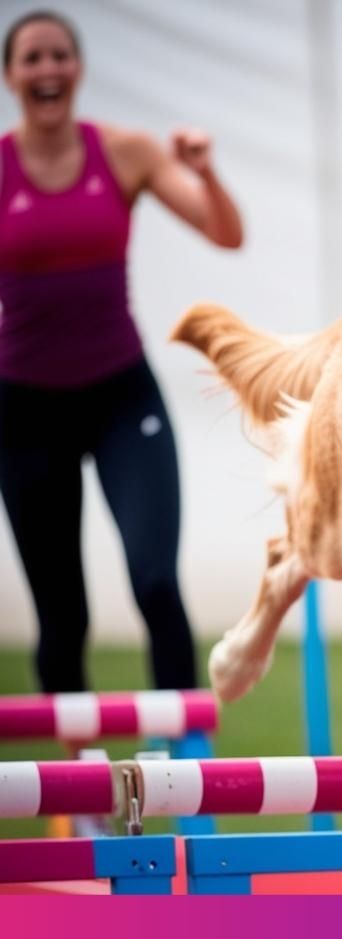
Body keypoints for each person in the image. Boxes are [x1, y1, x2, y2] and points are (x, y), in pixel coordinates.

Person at [0, 10, 243, 695]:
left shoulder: (125, 152)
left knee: (156, 582)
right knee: (62, 617)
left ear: (78, 69)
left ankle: (182, 753)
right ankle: (81, 769)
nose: (48, 69)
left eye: (59, 55)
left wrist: (206, 173)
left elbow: (225, 234)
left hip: (120, 398)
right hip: (25, 411)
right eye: (31, 58)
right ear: (11, 76)